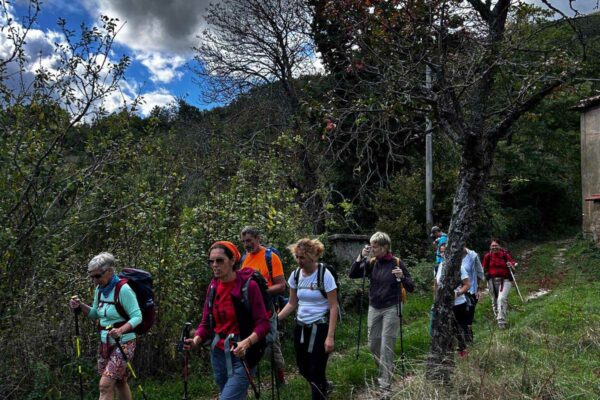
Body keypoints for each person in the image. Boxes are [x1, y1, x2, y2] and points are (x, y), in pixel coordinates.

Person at [184, 241, 270, 400]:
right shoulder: (213, 287)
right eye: (211, 261)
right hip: (218, 353)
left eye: (219, 260)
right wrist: (195, 341)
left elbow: (263, 323)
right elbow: (205, 324)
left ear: (232, 261)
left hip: (243, 353)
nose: (214, 265)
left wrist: (246, 343)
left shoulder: (248, 287)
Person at [68, 252, 142, 400]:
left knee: (105, 385)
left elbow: (137, 316)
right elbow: (96, 314)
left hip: (125, 342)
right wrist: (80, 305)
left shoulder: (124, 289)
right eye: (92, 277)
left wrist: (120, 330)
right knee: (120, 382)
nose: (95, 281)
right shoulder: (99, 290)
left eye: (98, 276)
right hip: (105, 343)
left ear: (109, 271)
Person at [349, 231, 415, 389]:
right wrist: (361, 256)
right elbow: (353, 274)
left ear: (385, 247)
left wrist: (402, 277)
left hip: (392, 307)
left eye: (375, 247)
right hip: (374, 307)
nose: (372, 249)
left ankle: (385, 383)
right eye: (371, 246)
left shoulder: (397, 263)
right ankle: (386, 371)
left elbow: (411, 287)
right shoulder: (372, 263)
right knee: (373, 344)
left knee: (386, 346)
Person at [278, 238, 338, 400]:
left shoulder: (324, 274)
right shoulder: (296, 275)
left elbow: (333, 306)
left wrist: (330, 337)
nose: (299, 261)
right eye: (297, 257)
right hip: (301, 327)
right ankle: (323, 385)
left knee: (316, 370)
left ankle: (320, 390)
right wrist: (275, 320)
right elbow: (292, 303)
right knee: (303, 368)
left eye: (302, 257)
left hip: (320, 328)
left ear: (312, 257)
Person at [240, 226, 287, 385]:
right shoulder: (244, 259)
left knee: (272, 344)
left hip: (267, 309)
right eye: (244, 241)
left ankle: (280, 379)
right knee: (249, 345)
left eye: (249, 241)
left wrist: (261, 292)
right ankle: (249, 381)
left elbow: (281, 286)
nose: (246, 244)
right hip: (249, 311)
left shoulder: (270, 257)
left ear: (258, 239)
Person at [434, 245, 471, 357]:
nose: (443, 254)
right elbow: (435, 285)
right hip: (443, 304)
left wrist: (457, 293)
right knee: (446, 329)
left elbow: (467, 285)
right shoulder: (438, 266)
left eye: (445, 252)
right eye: (441, 252)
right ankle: (448, 353)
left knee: (459, 328)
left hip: (459, 303)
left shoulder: (459, 267)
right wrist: (435, 301)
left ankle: (463, 350)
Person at [482, 239, 517, 329]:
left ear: (499, 246)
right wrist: (486, 276)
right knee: (494, 301)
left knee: (501, 299)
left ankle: (501, 322)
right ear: (490, 247)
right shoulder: (488, 256)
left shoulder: (505, 255)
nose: (494, 247)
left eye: (496, 245)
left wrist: (511, 265)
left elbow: (513, 267)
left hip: (505, 280)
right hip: (492, 281)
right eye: (492, 246)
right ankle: (498, 318)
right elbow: (484, 268)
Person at [461, 246, 485, 342]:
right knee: (460, 316)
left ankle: (468, 338)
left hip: (471, 291)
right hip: (458, 291)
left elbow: (479, 272)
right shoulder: (451, 256)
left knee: (468, 317)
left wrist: (478, 288)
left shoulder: (473, 256)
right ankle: (462, 339)